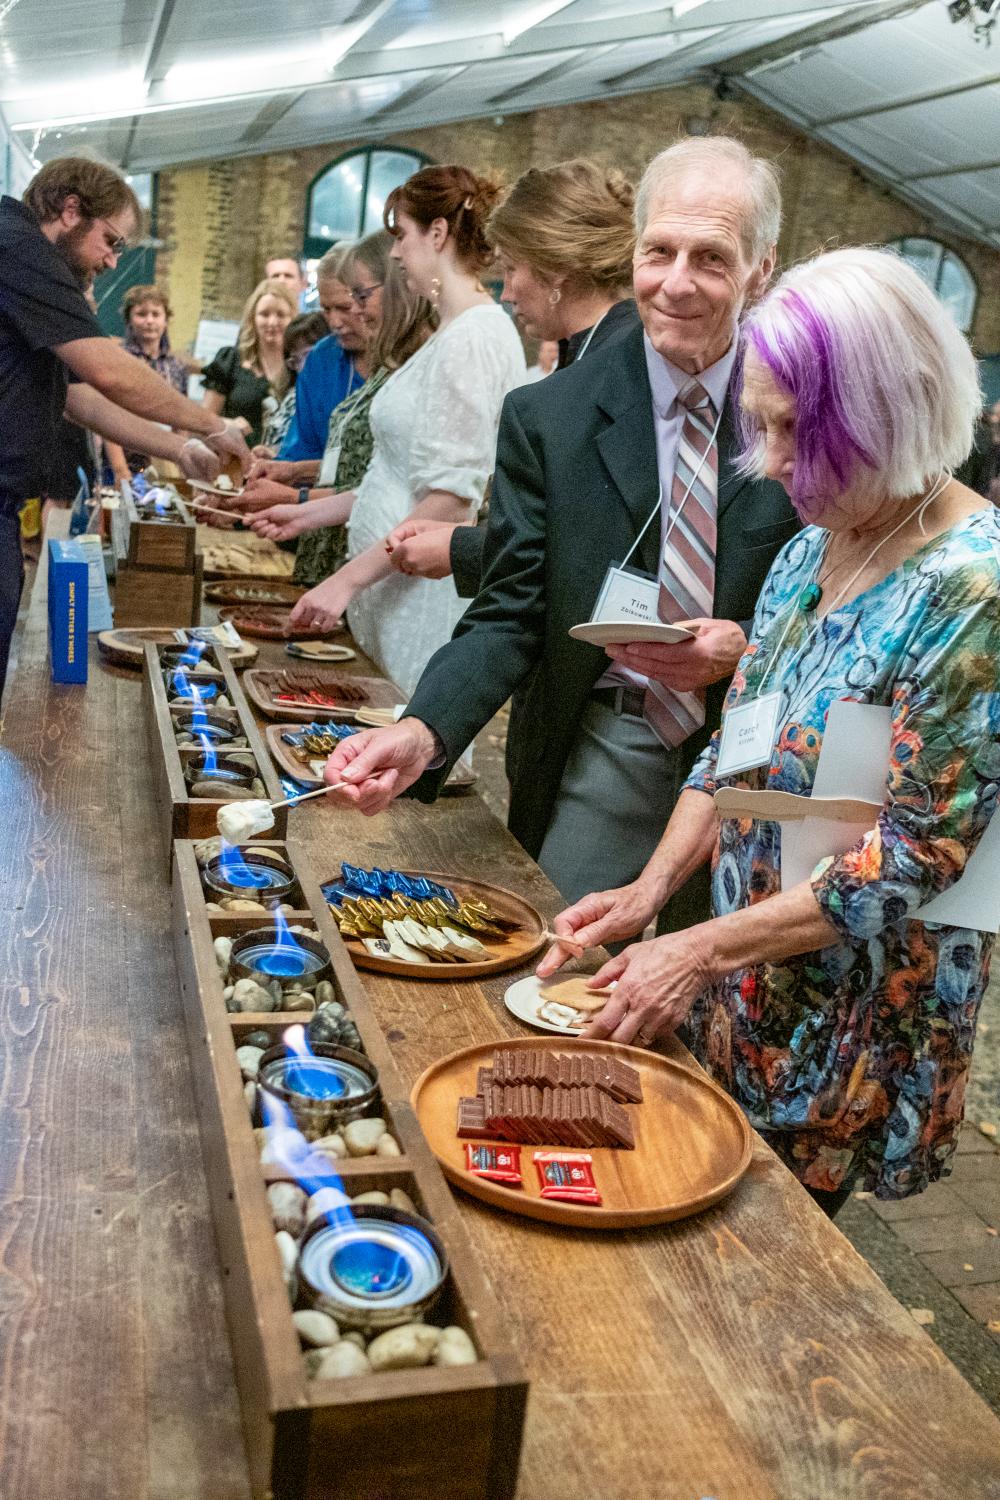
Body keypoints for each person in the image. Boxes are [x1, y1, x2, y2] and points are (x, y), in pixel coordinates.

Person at [539, 246, 998, 1212]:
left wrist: (698, 949)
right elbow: (732, 750)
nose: (775, 463)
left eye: (803, 432)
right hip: (747, 979)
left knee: (771, 1256)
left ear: (896, 413)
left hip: (845, 1018)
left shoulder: (973, 589)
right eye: (766, 426)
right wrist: (650, 891)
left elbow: (914, 857)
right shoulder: (807, 552)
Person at [322, 138, 797, 921]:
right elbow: (510, 608)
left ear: (761, 268)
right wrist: (422, 728)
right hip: (608, 747)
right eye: (659, 252)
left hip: (765, 770)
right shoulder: (552, 416)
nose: (676, 284)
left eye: (710, 259)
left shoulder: (803, 405)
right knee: (567, 982)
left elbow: (852, 603)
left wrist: (743, 648)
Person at [0, 155, 248, 697]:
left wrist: (178, 450)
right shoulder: (19, 246)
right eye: (110, 241)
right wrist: (211, 424)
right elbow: (109, 372)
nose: (112, 262)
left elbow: (77, 396)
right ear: (70, 211)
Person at [278, 164, 526, 697]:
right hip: (388, 589)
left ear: (437, 234)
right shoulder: (452, 333)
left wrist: (345, 580)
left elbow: (448, 503)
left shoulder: (474, 337)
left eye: (402, 236)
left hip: (416, 598)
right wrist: (307, 512)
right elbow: (396, 479)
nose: (394, 254)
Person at [384, 158, 639, 593]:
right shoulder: (592, 350)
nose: (507, 290)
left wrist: (459, 549)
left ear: (555, 270)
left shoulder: (616, 367)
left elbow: (584, 543)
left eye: (511, 268)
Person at [246, 232, 434, 589]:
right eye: (325, 309)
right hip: (319, 526)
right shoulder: (322, 357)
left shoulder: (409, 362)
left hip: (383, 541)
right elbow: (329, 455)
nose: (334, 322)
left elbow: (390, 474)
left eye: (347, 306)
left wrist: (296, 495)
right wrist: (287, 470)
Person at [200, 277, 297, 447]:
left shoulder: (301, 366)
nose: (272, 322)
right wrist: (226, 423)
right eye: (264, 314)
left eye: (280, 315)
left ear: (293, 318)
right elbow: (202, 421)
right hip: (235, 463)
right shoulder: (230, 360)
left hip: (285, 465)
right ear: (253, 318)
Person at [109, 283, 190, 476]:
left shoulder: (176, 367)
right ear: (129, 319)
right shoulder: (119, 359)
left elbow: (181, 422)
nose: (149, 321)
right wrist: (119, 468)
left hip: (163, 462)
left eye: (156, 314)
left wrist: (182, 464)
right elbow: (108, 414)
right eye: (141, 314)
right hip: (124, 460)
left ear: (166, 320)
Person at [258, 310, 328, 455]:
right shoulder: (293, 394)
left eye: (309, 355)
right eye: (295, 360)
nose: (301, 367)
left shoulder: (334, 397)